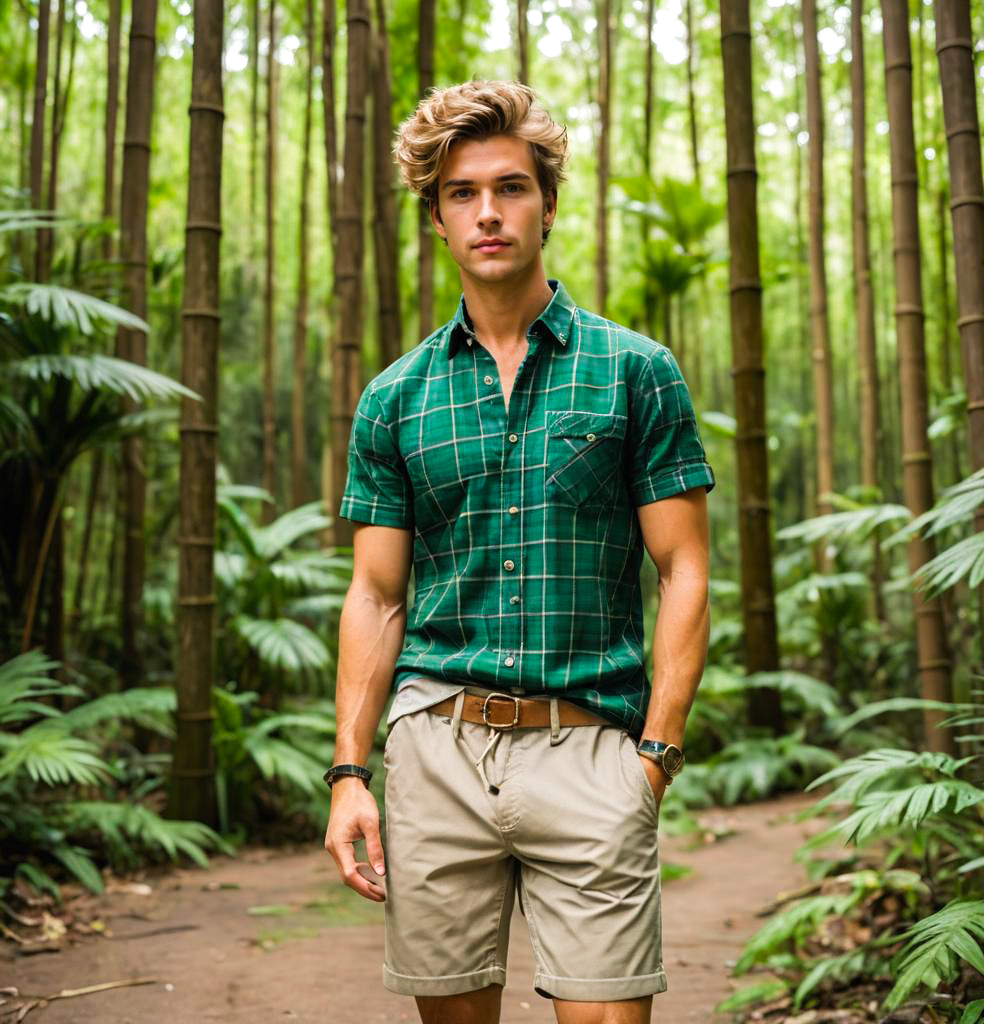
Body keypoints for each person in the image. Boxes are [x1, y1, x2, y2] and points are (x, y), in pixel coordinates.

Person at [324, 79, 715, 1024]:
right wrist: (349, 774)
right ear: (438, 217)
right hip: (437, 749)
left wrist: (653, 757)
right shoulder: (396, 397)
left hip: (590, 748)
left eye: (511, 186)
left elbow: (685, 571)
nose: (489, 211)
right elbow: (375, 596)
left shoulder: (634, 371)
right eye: (463, 193)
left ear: (547, 200)